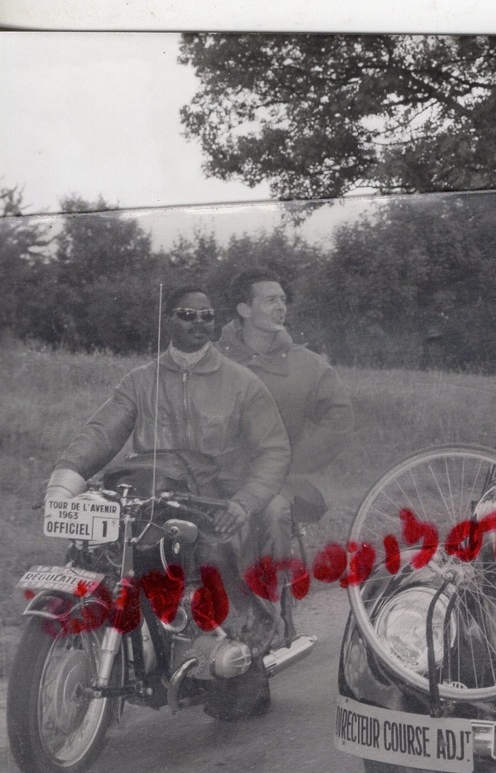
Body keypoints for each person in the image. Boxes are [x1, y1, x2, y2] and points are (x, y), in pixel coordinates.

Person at [45, 284, 292, 717]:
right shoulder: (140, 381)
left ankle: (248, 645)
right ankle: (128, 644)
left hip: (215, 499)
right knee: (99, 552)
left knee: (215, 557)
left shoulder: (241, 383)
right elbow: (102, 433)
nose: (197, 323)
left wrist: (245, 500)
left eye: (206, 316)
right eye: (186, 314)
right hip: (152, 494)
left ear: (215, 323)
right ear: (168, 321)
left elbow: (274, 450)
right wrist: (65, 479)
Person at [218, 268, 354, 561]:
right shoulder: (212, 360)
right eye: (270, 300)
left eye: (282, 300)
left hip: (277, 484)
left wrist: (293, 463)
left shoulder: (307, 365)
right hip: (212, 480)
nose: (281, 307)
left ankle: (269, 601)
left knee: (275, 512)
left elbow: (340, 419)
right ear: (244, 309)